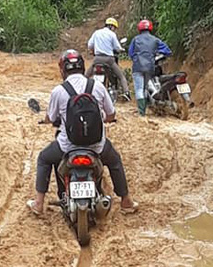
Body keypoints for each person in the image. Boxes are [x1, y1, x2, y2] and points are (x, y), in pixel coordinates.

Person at [28, 49, 138, 216]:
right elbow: (111, 114)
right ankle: (126, 201)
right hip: (97, 146)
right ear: (82, 66)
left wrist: (47, 120)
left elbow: (51, 117)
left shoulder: (59, 91)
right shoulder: (98, 86)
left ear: (63, 69)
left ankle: (38, 203)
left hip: (67, 146)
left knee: (44, 158)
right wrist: (106, 119)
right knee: (114, 161)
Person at [128, 20, 172, 116]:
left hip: (137, 67)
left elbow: (130, 53)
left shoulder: (135, 39)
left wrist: (136, 59)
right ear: (150, 28)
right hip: (150, 67)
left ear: (139, 28)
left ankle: (142, 112)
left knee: (139, 89)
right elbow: (167, 51)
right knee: (145, 88)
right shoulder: (155, 40)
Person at [85, 17, 130, 100]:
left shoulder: (96, 32)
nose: (114, 30)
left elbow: (90, 45)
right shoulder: (112, 34)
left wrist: (94, 50)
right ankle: (126, 93)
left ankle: (81, 90)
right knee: (121, 76)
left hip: (97, 59)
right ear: (112, 26)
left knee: (86, 76)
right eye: (114, 28)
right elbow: (117, 47)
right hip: (109, 60)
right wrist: (121, 50)